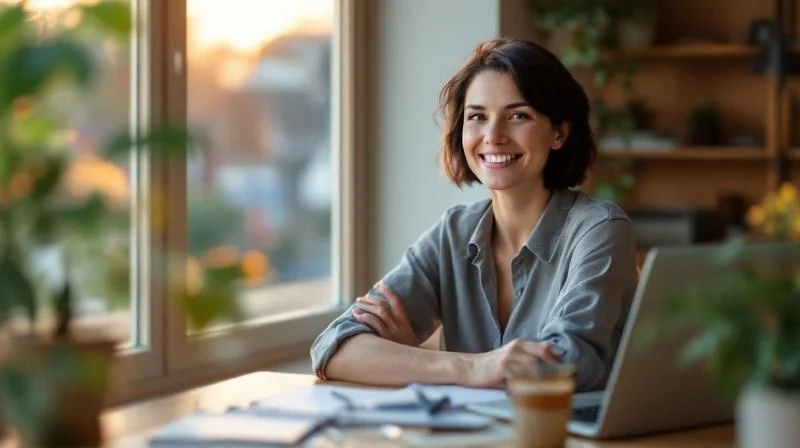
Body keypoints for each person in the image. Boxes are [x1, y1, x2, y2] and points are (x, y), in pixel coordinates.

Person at [310, 37, 638, 392]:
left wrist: (410, 360)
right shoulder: (454, 232)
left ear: (558, 132)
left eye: (518, 116)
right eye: (478, 117)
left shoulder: (600, 229)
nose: (493, 135)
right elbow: (334, 348)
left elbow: (564, 366)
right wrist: (469, 368)